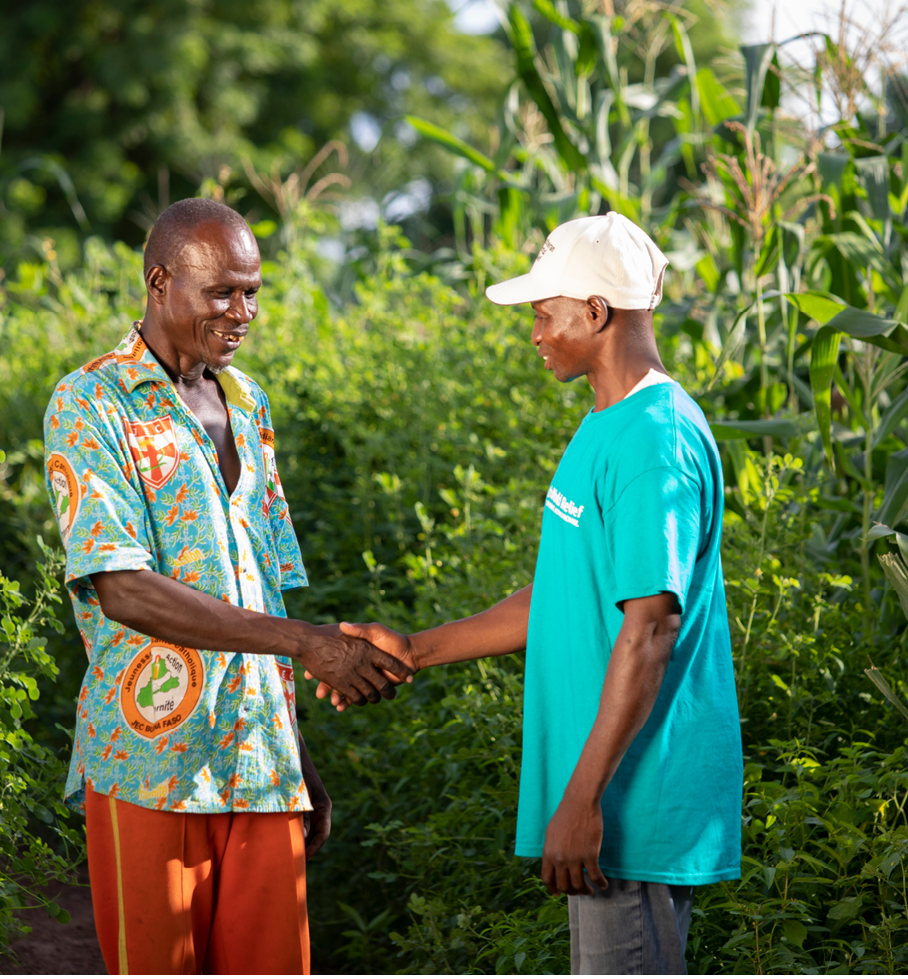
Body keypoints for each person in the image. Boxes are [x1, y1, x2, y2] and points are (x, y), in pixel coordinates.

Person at [309, 212, 742, 975]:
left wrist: (582, 801)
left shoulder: (653, 441)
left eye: (545, 314)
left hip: (629, 808)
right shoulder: (607, 425)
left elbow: (648, 633)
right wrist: (414, 649)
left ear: (596, 313)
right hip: (608, 798)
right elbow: (563, 595)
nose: (535, 333)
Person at [42, 197, 411, 975]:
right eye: (221, 293)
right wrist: (309, 646)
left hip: (259, 760)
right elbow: (122, 589)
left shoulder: (249, 406)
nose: (242, 312)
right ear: (158, 281)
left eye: (252, 292)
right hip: (150, 760)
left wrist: (294, 746)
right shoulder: (90, 402)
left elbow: (262, 592)